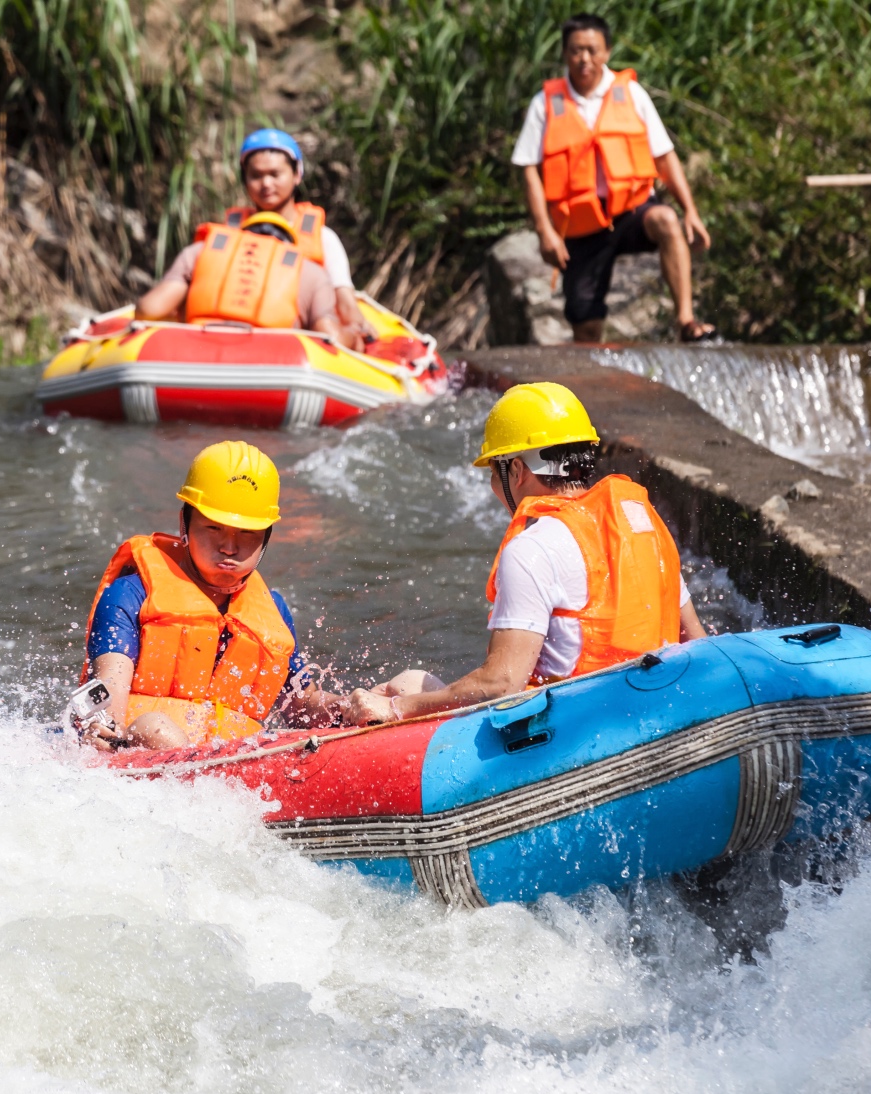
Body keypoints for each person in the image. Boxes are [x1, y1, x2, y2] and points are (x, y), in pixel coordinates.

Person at [343, 382, 706, 725]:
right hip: (657, 709)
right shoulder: (641, 524)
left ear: (516, 470)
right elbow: (697, 643)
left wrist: (396, 706)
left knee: (406, 684)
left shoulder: (532, 549)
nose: (491, 486)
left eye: (493, 472)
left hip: (568, 733)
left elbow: (500, 684)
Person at [81, 440, 342, 751]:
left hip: (231, 763)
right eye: (213, 528)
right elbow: (109, 682)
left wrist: (349, 706)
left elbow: (302, 708)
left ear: (267, 536)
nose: (229, 547)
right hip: (143, 745)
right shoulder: (131, 595)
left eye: (246, 533)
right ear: (184, 524)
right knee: (157, 729)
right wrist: (101, 725)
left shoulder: (274, 610)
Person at [509, 12, 716, 343]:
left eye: (592, 50)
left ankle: (686, 320)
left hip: (632, 209)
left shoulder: (631, 94)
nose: (584, 59)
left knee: (665, 219)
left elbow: (664, 157)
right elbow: (529, 170)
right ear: (565, 54)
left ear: (607, 52)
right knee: (585, 324)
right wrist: (545, 231)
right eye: (576, 50)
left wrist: (689, 210)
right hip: (580, 224)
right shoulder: (545, 104)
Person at [223, 128, 375, 348]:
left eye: (275, 174)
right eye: (256, 175)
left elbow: (345, 305)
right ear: (244, 179)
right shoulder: (227, 237)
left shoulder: (323, 239)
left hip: (303, 344)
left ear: (296, 174)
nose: (266, 184)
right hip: (231, 336)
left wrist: (357, 331)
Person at [134, 211, 351, 347]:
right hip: (277, 362)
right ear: (289, 243)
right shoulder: (310, 270)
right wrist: (353, 337)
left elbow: (149, 309)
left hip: (198, 349)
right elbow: (330, 336)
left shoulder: (199, 251)